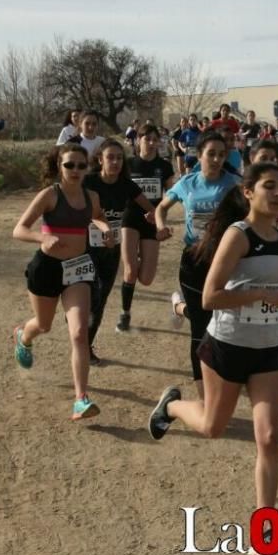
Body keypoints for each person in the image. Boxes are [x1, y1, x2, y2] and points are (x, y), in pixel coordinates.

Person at [148, 163, 278, 553]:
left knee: (270, 437)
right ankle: (174, 406)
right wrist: (260, 297)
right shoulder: (238, 235)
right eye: (269, 186)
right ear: (248, 192)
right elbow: (211, 297)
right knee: (213, 426)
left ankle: (266, 530)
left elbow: (270, 288)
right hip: (227, 346)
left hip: (267, 350)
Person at [12, 144, 113, 420]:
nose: (76, 170)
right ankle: (23, 336)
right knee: (43, 325)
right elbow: (19, 229)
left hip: (78, 269)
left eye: (81, 165)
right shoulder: (49, 195)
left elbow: (98, 216)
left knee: (79, 333)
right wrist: (42, 237)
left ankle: (81, 399)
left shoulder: (91, 196)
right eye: (70, 165)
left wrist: (105, 230)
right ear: (59, 166)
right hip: (46, 268)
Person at [154, 132, 242, 393]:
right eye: (211, 153)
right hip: (194, 259)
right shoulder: (187, 183)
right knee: (200, 326)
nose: (216, 159)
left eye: (221, 154)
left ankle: (179, 307)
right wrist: (161, 226)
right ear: (200, 155)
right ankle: (203, 391)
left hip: (224, 259)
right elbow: (161, 207)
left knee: (223, 318)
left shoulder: (233, 185)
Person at [82, 139, 159, 363]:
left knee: (101, 299)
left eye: (119, 158)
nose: (115, 162)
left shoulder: (126, 184)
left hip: (111, 250)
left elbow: (151, 208)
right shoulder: (88, 182)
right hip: (85, 248)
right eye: (110, 157)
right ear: (100, 159)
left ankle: (86, 347)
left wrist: (155, 218)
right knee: (89, 296)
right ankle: (80, 332)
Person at [116, 124, 176, 333]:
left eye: (154, 139)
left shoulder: (165, 166)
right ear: (137, 140)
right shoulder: (128, 164)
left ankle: (138, 255)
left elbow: (170, 196)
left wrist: (160, 216)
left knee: (147, 279)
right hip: (130, 218)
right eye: (146, 139)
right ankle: (125, 313)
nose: (151, 143)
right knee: (130, 271)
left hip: (152, 222)